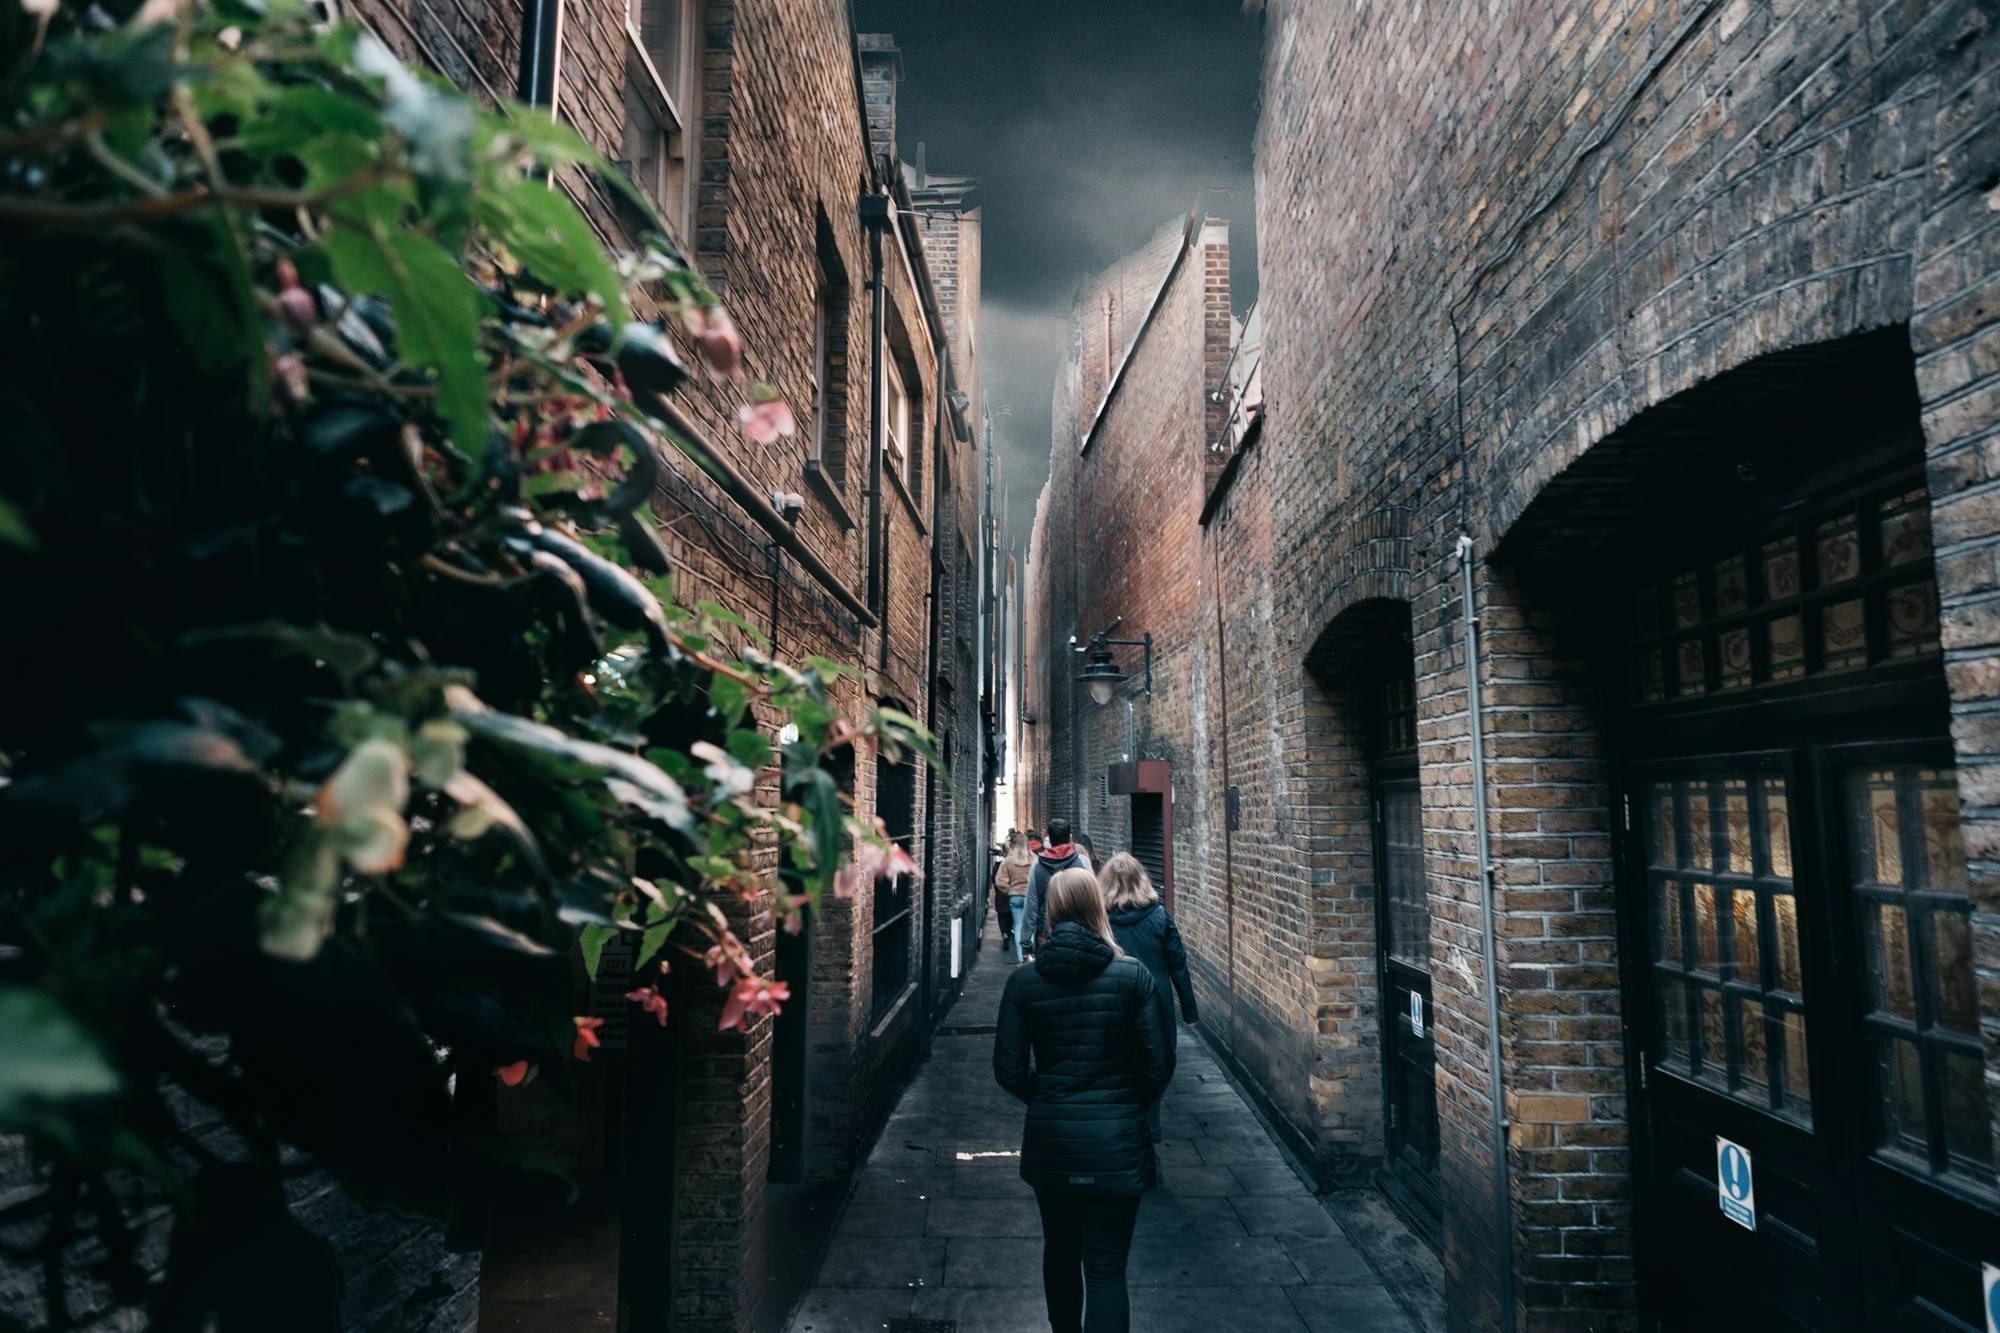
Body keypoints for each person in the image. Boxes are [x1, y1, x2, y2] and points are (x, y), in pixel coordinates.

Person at [994, 867, 1170, 1333]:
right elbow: (1158, 1064)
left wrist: (1049, 1093)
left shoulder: (1024, 983)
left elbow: (1008, 1071)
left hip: (1053, 1140)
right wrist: (1127, 1102)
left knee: (1060, 1253)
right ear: (1098, 908)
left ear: (1051, 910)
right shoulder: (1133, 977)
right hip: (1117, 1141)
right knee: (1107, 1269)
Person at [1100, 853, 1199, 1146]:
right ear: (1141, 879)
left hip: (1113, 999)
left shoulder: (1100, 918)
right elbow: (1178, 965)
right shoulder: (1158, 916)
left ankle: (1120, 1135)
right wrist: (1189, 1012)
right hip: (1155, 1001)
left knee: (1115, 1066)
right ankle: (1149, 1134)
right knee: (1155, 1066)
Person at [1022, 817, 1089, 956]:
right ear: (1069, 838)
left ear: (1050, 840)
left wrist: (1025, 941)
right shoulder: (1083, 862)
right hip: (1079, 932)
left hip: (1046, 934)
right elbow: (1093, 901)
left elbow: (1031, 904)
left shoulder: (1037, 865)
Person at [995, 830, 1033, 960]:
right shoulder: (1034, 859)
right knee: (1029, 927)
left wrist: (1010, 890)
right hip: (1030, 897)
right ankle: (1030, 958)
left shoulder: (1008, 861)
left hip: (1015, 897)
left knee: (1018, 927)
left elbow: (1000, 882)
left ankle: (1021, 959)